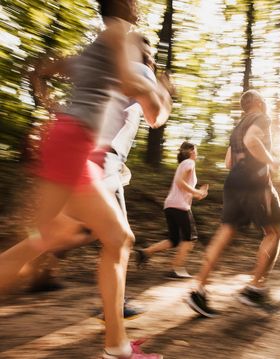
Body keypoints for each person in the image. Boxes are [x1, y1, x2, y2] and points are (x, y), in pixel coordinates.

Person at [0, 1, 169, 358]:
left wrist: (51, 105)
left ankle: (116, 344)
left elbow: (44, 68)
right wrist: (157, 90)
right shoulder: (120, 33)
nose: (138, 8)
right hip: (76, 145)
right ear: (125, 6)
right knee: (105, 238)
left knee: (78, 238)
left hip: (73, 143)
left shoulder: (97, 47)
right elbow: (153, 113)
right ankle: (116, 345)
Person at [186, 89, 280, 317]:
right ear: (259, 102)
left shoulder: (237, 127)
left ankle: (198, 290)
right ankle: (255, 289)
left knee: (225, 232)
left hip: (233, 182)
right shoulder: (262, 118)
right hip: (256, 183)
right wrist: (272, 161)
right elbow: (252, 140)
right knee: (275, 233)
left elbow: (229, 162)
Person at [135, 142, 208, 279]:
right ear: (192, 151)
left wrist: (198, 194)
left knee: (174, 240)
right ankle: (176, 269)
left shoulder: (183, 164)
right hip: (180, 206)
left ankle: (145, 252)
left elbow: (183, 187)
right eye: (196, 150)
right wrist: (197, 191)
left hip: (170, 205)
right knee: (190, 238)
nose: (197, 153)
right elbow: (181, 183)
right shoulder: (189, 163)